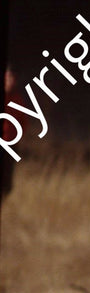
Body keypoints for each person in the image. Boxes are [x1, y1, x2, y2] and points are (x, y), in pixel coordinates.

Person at [1, 68, 21, 206]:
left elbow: (23, 122)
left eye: (12, 79)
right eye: (7, 79)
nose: (10, 82)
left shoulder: (17, 99)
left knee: (7, 182)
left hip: (11, 145)